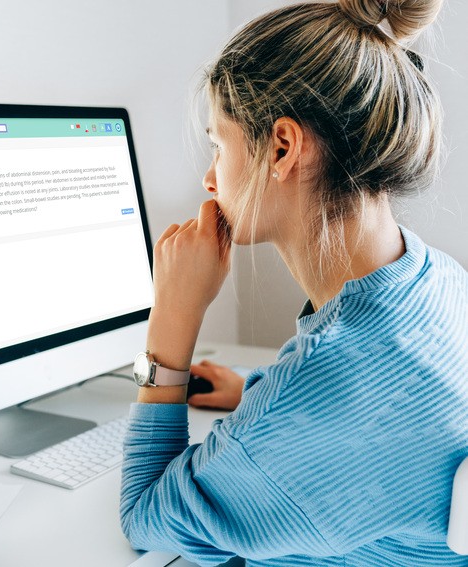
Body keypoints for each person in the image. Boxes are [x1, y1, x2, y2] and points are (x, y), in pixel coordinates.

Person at [119, 0, 468, 565]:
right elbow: (373, 405)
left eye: (218, 145)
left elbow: (144, 519)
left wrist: (172, 321)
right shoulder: (437, 278)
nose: (210, 179)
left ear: (281, 147)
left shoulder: (317, 395)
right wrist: (258, 392)